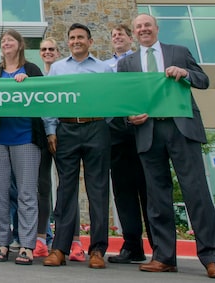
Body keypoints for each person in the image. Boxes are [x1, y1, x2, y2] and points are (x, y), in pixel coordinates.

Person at [118, 14, 215, 280]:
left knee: (196, 193)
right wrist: (129, 118)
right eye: (139, 27)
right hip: (148, 132)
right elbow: (123, 100)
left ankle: (213, 258)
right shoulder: (127, 63)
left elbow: (203, 80)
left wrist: (186, 73)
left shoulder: (178, 52)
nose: (144, 29)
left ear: (156, 28)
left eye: (147, 25)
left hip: (181, 129)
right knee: (157, 199)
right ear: (134, 33)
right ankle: (164, 257)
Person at [43, 23, 113, 269]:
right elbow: (49, 100)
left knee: (98, 191)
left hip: (96, 130)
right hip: (66, 130)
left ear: (90, 42)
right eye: (72, 38)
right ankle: (59, 249)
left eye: (80, 37)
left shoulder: (104, 69)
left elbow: (114, 99)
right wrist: (51, 130)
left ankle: (97, 251)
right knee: (65, 192)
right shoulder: (59, 68)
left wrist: (104, 124)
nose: (76, 41)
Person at [0, 29, 46, 266]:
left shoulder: (32, 70)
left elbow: (44, 98)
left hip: (26, 138)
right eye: (3, 40)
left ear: (20, 45)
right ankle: (3, 242)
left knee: (26, 193)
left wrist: (29, 85)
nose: (6, 43)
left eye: (10, 40)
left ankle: (27, 246)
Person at [106, 23, 151, 264]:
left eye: (120, 34)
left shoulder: (142, 62)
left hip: (143, 133)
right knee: (123, 194)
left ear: (130, 38)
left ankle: (161, 248)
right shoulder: (105, 67)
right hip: (116, 135)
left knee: (149, 192)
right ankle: (133, 247)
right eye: (113, 35)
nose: (116, 38)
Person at [37, 38, 83, 261]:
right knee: (42, 188)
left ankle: (74, 241)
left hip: (64, 134)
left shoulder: (65, 73)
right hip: (41, 136)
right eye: (44, 49)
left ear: (58, 52)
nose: (47, 52)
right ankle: (41, 240)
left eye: (51, 49)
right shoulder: (36, 77)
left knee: (67, 187)